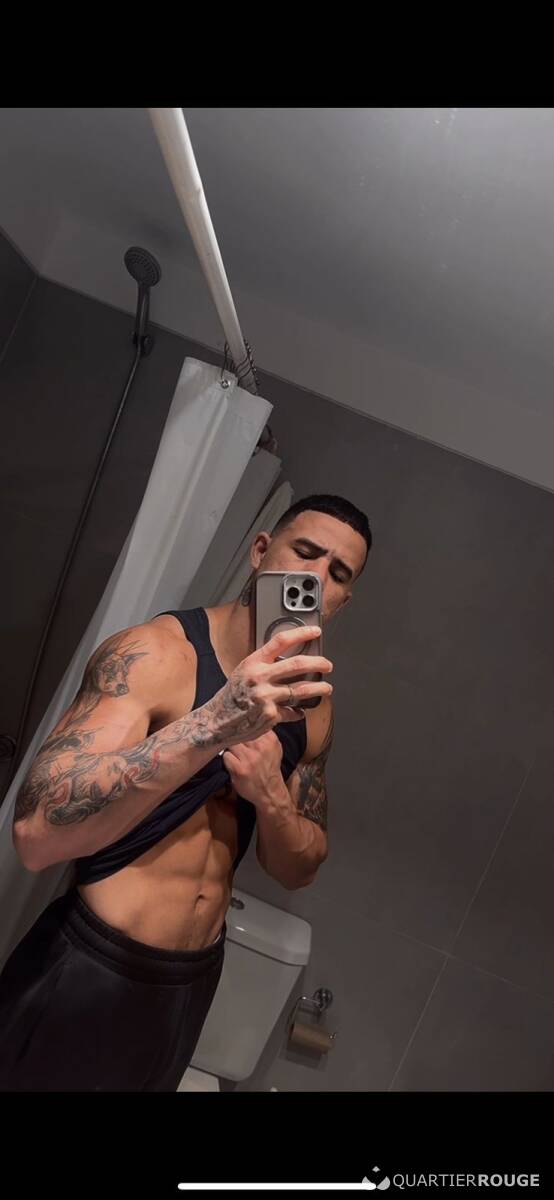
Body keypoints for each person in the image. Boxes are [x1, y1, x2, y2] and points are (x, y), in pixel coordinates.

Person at [0, 493, 371, 1091]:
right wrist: (215, 722)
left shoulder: (311, 707)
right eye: (305, 552)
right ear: (260, 551)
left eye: (339, 573)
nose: (316, 577)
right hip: (92, 964)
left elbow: (298, 868)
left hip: (190, 983)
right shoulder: (155, 654)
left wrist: (271, 796)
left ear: (342, 602)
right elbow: (36, 833)